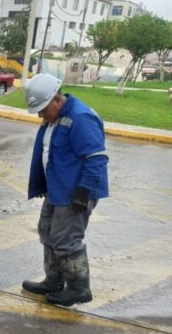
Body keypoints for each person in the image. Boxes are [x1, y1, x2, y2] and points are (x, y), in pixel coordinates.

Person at [21, 73, 109, 306]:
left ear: (57, 100)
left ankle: (79, 288)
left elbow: (97, 158)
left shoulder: (80, 118)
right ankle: (53, 281)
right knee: (47, 231)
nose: (40, 114)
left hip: (75, 192)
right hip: (57, 189)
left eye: (42, 109)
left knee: (66, 239)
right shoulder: (55, 117)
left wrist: (83, 192)